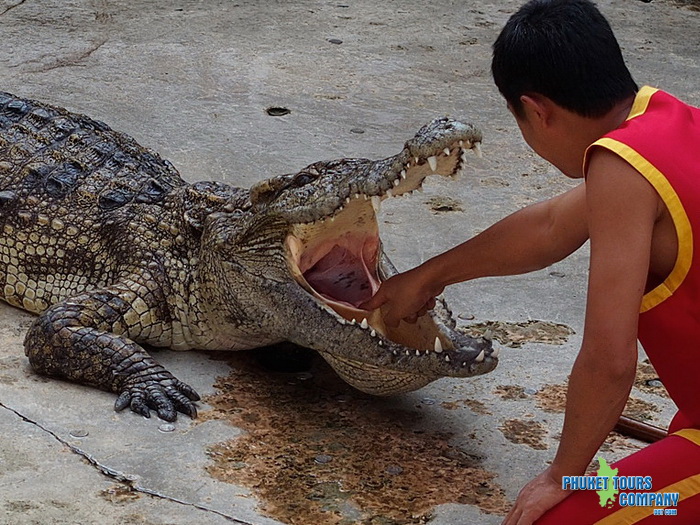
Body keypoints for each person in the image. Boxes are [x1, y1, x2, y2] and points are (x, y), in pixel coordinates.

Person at [360, 0, 700, 523]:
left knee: (558, 517)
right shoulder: (669, 122)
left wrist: (561, 474)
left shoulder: (620, 168)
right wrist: (427, 278)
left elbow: (610, 362)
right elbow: (548, 228)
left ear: (536, 110)